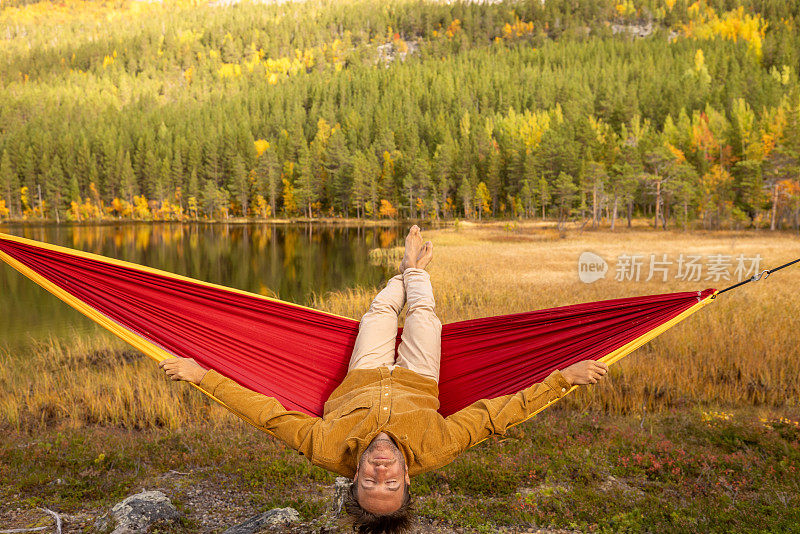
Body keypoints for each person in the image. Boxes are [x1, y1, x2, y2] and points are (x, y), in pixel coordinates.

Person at [159, 225, 609, 533]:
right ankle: (415, 271)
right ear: (408, 480)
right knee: (424, 316)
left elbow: (266, 414)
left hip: (362, 374)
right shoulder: (435, 448)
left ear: (352, 479)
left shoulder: (326, 448)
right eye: (390, 484)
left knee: (378, 312)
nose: (380, 471)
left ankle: (407, 270)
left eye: (369, 483)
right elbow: (496, 416)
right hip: (418, 378)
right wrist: (560, 378)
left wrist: (203, 376)